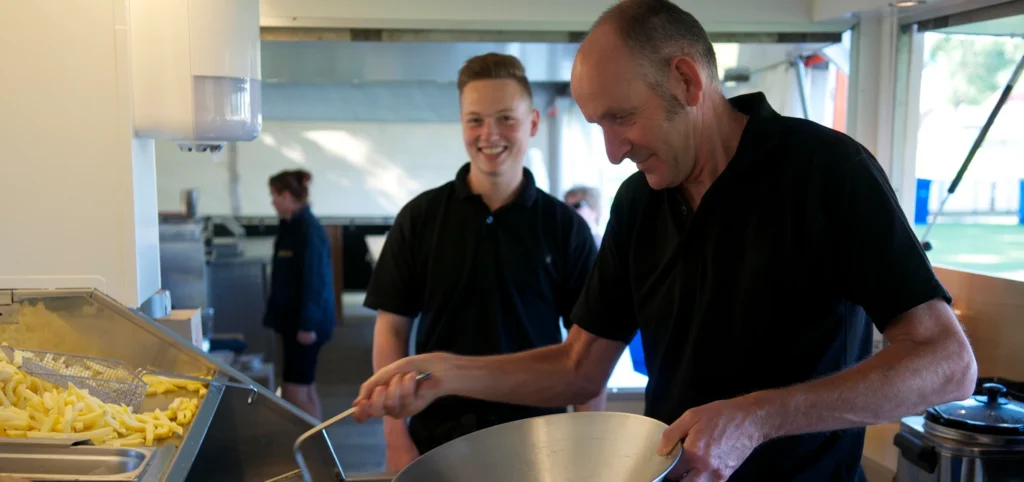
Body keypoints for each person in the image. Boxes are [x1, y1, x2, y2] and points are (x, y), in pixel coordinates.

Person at [352, 1, 978, 481]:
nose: (613, 151)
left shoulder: (825, 172)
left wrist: (756, 418)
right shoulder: (638, 204)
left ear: (686, 80)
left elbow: (947, 364)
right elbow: (578, 368)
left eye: (622, 118)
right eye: (599, 125)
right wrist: (446, 373)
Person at [363, 52, 606, 473]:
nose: (489, 134)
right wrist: (394, 439)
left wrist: (588, 446)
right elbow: (392, 328)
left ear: (532, 122)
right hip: (437, 440)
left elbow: (590, 349)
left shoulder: (565, 229)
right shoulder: (421, 218)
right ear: (461, 123)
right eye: (475, 120)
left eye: (505, 119)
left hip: (541, 440)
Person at [263, 169, 336, 420]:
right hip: (294, 323)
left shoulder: (307, 230)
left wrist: (307, 325)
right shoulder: (290, 226)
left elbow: (316, 282)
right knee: (305, 387)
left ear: (286, 196)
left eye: (274, 195)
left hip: (305, 326)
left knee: (295, 391)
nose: (272, 201)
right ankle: (315, 447)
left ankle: (310, 447)